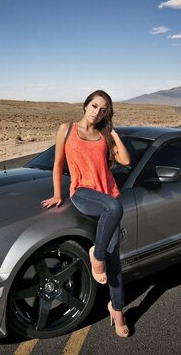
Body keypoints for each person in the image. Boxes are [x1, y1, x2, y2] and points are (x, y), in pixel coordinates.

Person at [41, 90, 131, 338]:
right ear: (85, 105)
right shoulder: (67, 129)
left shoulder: (103, 134)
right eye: (94, 106)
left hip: (107, 193)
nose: (97, 112)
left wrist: (112, 132)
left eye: (103, 110)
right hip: (82, 192)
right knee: (114, 209)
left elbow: (124, 159)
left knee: (115, 261)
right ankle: (96, 255)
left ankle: (118, 310)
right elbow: (58, 163)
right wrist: (58, 194)